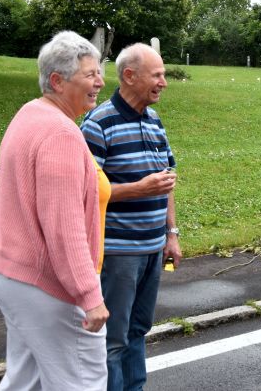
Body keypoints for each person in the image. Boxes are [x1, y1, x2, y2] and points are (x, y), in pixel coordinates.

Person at [0, 31, 110, 389]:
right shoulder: (61, 134)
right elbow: (64, 228)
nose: (100, 82)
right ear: (57, 81)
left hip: (10, 272)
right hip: (46, 285)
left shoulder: (30, 113)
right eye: (90, 74)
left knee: (27, 379)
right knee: (82, 380)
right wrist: (89, 296)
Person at [81, 43, 181, 389]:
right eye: (157, 75)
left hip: (153, 248)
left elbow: (167, 181)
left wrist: (171, 233)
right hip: (118, 252)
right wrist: (138, 189)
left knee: (138, 329)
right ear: (129, 76)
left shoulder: (154, 121)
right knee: (113, 338)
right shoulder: (98, 123)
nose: (163, 82)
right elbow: (85, 192)